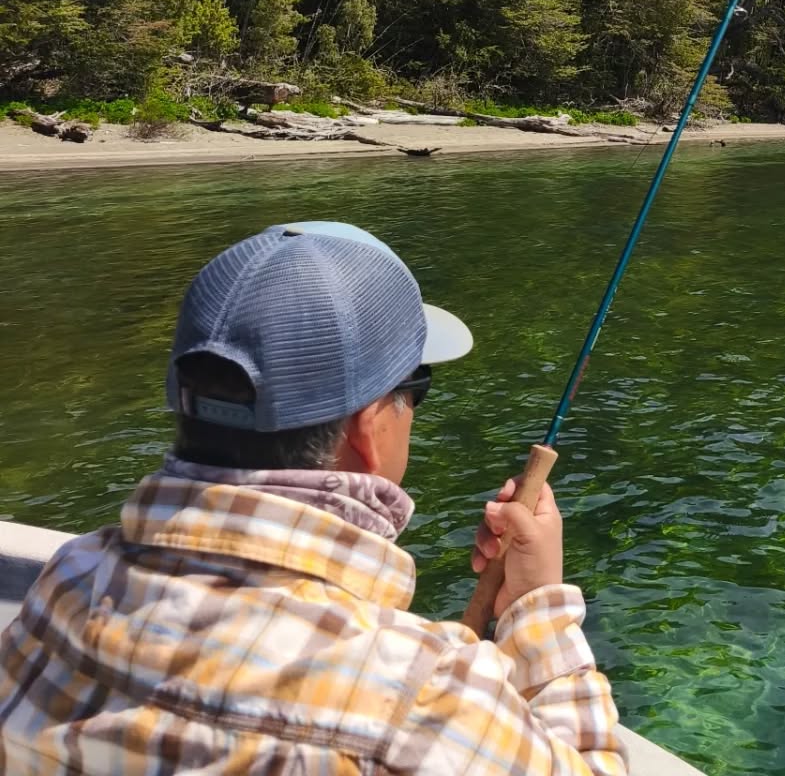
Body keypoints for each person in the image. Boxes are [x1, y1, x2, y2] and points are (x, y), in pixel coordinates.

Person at [0, 221, 627, 774]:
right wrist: (537, 606)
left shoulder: (69, 582)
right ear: (366, 429)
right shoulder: (421, 697)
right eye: (418, 387)